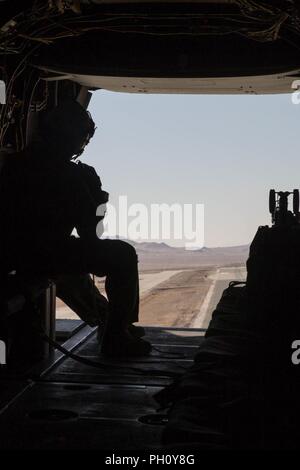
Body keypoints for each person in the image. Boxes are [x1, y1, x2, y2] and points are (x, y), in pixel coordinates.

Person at [0, 99, 151, 357]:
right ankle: (116, 336)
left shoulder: (12, 165)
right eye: (83, 139)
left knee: (68, 265)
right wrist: (98, 199)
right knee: (123, 255)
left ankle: (113, 323)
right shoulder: (72, 175)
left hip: (13, 254)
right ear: (74, 139)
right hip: (40, 254)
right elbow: (91, 235)